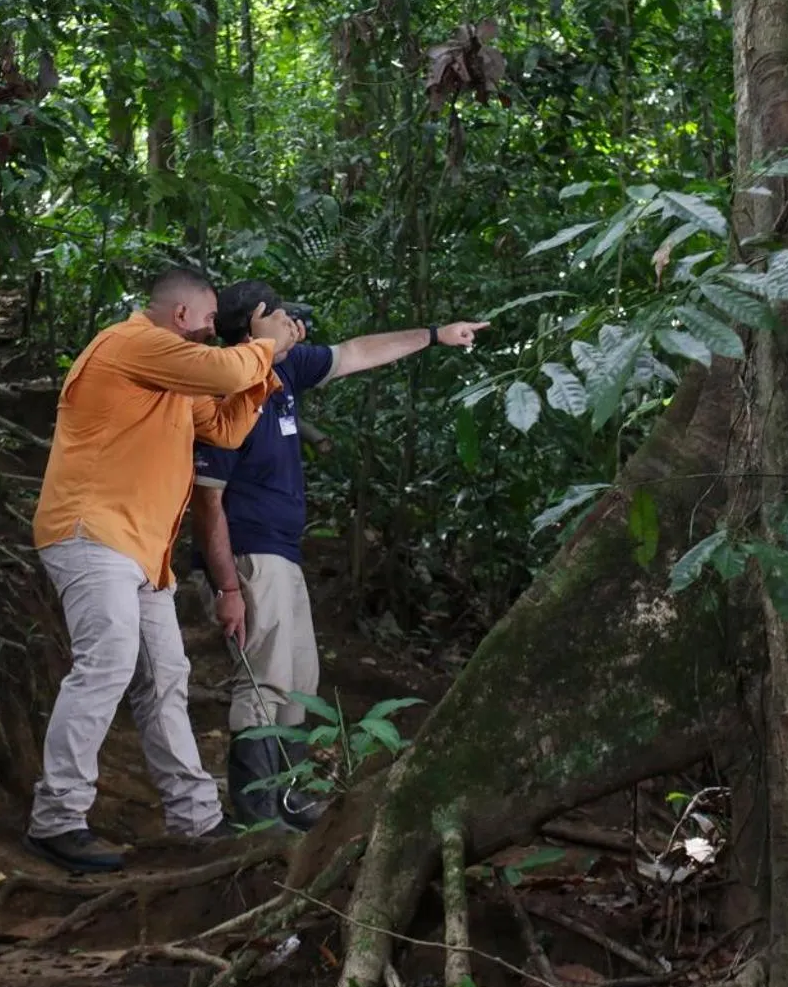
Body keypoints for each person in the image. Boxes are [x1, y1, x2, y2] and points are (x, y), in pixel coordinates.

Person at [26, 266, 301, 873]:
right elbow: (228, 369)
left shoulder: (172, 376)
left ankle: (197, 818)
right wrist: (267, 343)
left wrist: (269, 365)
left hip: (143, 553)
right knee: (108, 665)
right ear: (181, 316)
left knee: (167, 677)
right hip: (93, 534)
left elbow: (226, 428)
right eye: (208, 323)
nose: (213, 333)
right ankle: (56, 818)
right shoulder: (132, 343)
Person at [192, 282, 487, 829]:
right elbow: (207, 502)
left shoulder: (285, 374)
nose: (291, 322)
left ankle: (288, 797)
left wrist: (434, 336)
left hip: (283, 552)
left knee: (300, 678)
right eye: (276, 315)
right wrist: (227, 584)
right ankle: (256, 809)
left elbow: (356, 352)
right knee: (267, 676)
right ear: (250, 328)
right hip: (252, 554)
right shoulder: (228, 390)